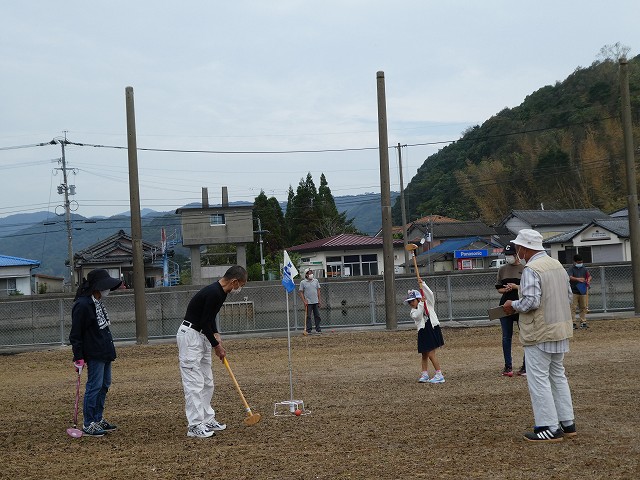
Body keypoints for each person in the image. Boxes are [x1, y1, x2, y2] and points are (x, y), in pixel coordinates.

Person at [502, 229, 576, 442]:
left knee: (539, 379)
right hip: (560, 328)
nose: (517, 252)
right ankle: (567, 423)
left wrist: (512, 304)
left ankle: (548, 427)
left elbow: (530, 302)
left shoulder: (531, 270)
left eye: (517, 248)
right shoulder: (557, 266)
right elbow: (568, 297)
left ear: (525, 248)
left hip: (540, 331)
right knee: (557, 376)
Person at [177, 265, 247, 438]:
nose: (240, 289)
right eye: (241, 285)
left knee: (207, 381)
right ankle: (194, 425)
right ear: (234, 281)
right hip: (191, 336)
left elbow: (210, 317)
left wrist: (216, 335)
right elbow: (204, 322)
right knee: (194, 383)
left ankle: (207, 418)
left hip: (202, 335)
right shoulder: (214, 293)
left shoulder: (220, 293)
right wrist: (217, 346)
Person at [69, 269, 123, 437]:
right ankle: (89, 422)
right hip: (94, 352)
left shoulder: (97, 302)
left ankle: (98, 418)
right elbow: (75, 334)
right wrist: (78, 356)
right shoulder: (83, 304)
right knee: (94, 386)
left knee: (104, 385)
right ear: (97, 287)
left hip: (104, 351)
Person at [404, 279, 445, 384]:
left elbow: (430, 294)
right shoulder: (413, 311)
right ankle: (425, 374)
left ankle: (439, 374)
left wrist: (423, 284)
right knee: (424, 354)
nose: (411, 303)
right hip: (423, 332)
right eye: (409, 302)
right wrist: (421, 304)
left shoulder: (429, 304)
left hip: (432, 329)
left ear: (417, 299)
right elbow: (418, 315)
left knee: (431, 353)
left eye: (412, 300)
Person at [495, 243, 526, 377]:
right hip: (505, 306)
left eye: (510, 255)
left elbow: (527, 288)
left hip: (521, 306)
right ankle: (508, 367)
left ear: (516, 254)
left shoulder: (525, 269)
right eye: (506, 255)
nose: (508, 257)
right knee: (506, 337)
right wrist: (505, 289)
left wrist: (516, 287)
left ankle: (526, 366)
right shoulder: (502, 269)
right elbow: (499, 288)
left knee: (525, 337)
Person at [567, 254, 590, 329]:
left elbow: (589, 276)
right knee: (573, 307)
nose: (580, 263)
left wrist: (588, 280)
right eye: (578, 262)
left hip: (582, 290)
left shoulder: (584, 268)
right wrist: (578, 279)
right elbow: (569, 277)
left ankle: (583, 321)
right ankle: (573, 322)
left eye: (581, 262)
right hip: (574, 291)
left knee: (583, 307)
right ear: (575, 262)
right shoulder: (571, 269)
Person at [299, 268, 322, 334]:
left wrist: (319, 300)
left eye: (311, 273)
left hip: (316, 301)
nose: (311, 274)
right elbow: (301, 292)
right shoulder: (303, 282)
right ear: (306, 275)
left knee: (317, 315)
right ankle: (309, 330)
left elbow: (318, 290)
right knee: (308, 316)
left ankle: (318, 329)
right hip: (308, 302)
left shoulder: (316, 281)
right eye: (309, 273)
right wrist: (304, 301)